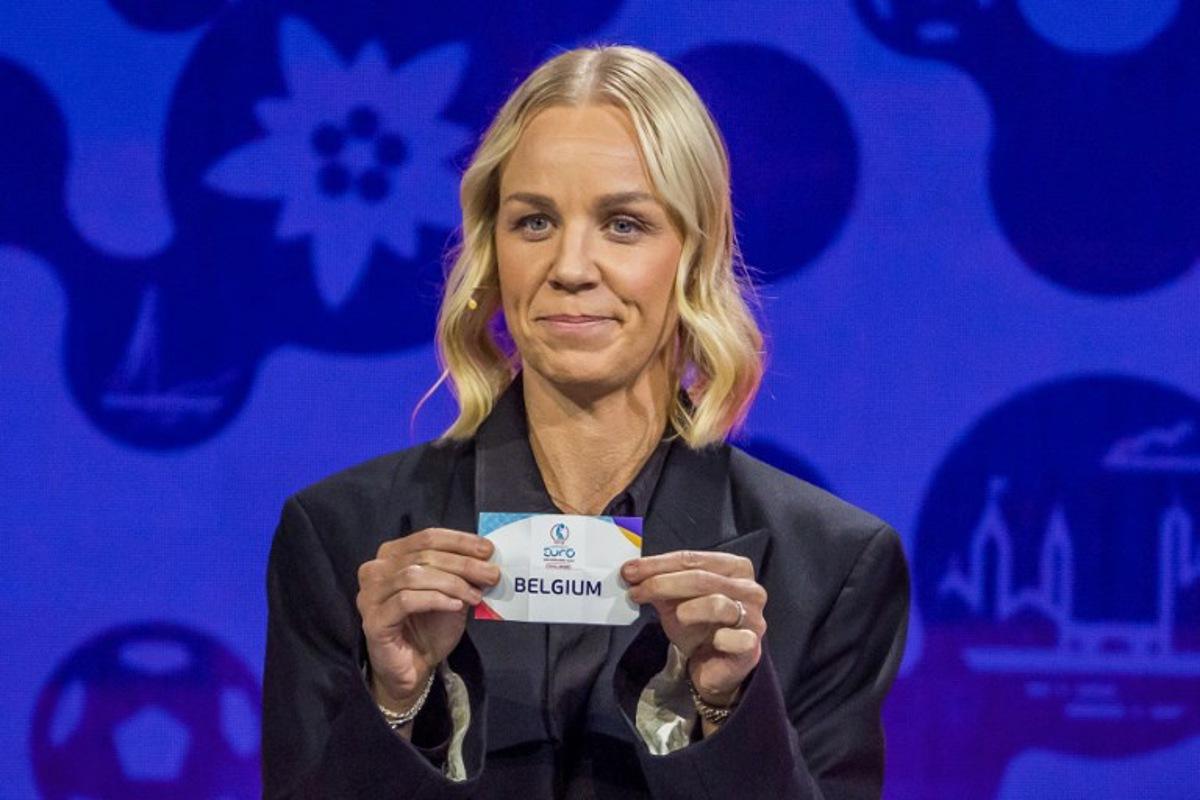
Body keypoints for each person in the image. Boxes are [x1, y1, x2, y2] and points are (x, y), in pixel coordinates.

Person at [262, 44, 910, 799]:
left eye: (624, 224)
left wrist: (726, 708)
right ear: (491, 249)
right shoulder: (342, 537)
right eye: (534, 222)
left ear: (693, 255)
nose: (570, 266)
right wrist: (396, 702)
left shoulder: (832, 568)